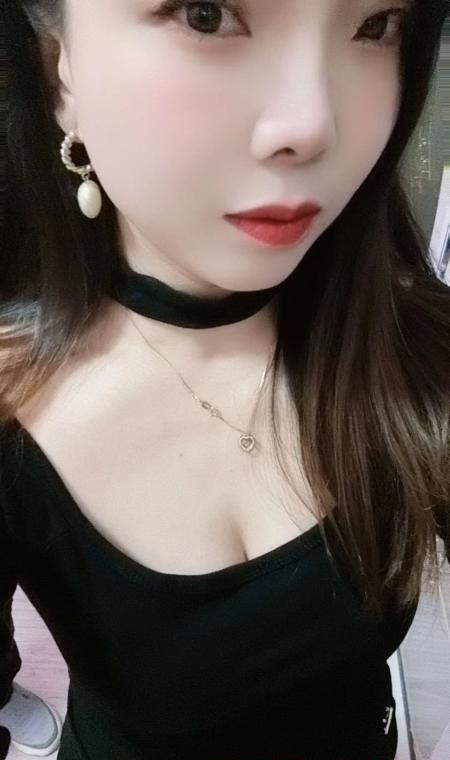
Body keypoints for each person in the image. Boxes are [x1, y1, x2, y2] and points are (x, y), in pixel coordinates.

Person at [0, 1, 449, 759]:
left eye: (374, 26)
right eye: (206, 15)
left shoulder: (405, 334)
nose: (313, 125)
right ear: (58, 71)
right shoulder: (16, 403)